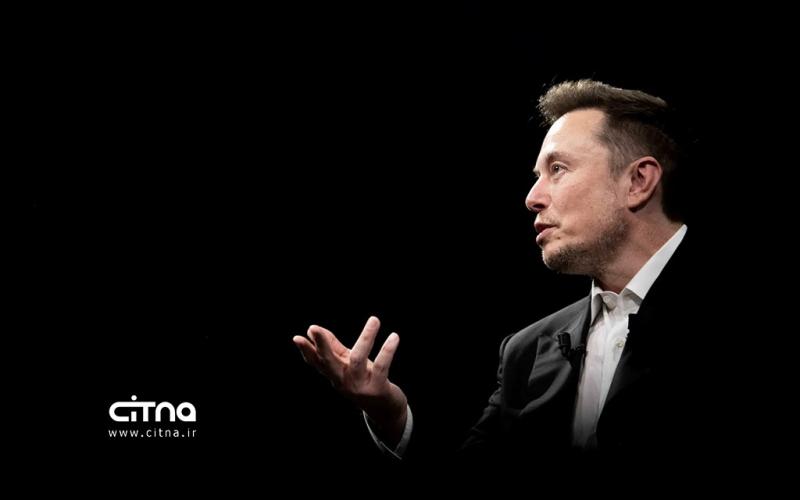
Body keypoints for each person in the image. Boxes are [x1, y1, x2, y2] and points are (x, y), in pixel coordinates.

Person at [292, 79, 717, 471]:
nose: (532, 197)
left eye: (558, 169)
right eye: (537, 177)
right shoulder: (526, 352)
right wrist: (391, 413)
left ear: (638, 181)